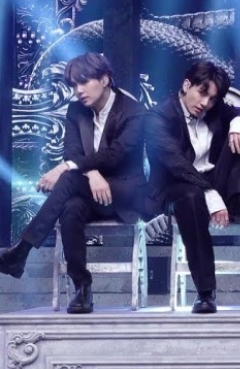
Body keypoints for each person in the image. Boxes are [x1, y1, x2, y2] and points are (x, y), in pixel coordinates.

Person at [0, 53, 146, 314]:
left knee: (67, 177)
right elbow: (71, 151)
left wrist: (68, 167)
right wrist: (91, 173)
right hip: (87, 191)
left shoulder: (133, 111)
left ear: (105, 79)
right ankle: (82, 287)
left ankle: (21, 251)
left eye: (84, 82)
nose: (78, 90)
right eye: (74, 85)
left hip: (124, 193)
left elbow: (115, 155)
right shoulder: (76, 110)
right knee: (71, 208)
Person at [145, 61, 240, 314]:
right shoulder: (158, 117)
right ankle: (205, 293)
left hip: (214, 181)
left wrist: (239, 123)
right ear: (186, 85)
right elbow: (176, 164)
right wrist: (209, 194)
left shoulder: (216, 111)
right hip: (177, 187)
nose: (205, 103)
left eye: (212, 99)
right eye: (202, 93)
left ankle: (238, 199)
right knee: (191, 197)